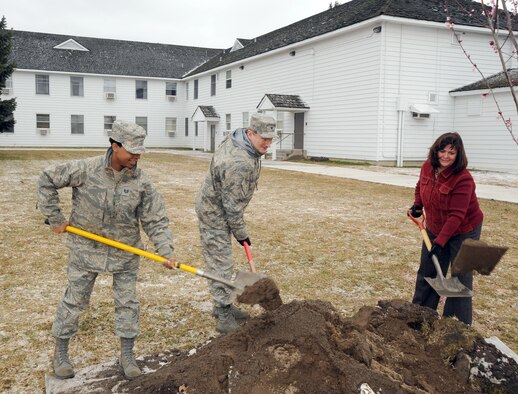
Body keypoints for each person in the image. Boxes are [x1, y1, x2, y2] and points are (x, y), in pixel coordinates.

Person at [37, 120, 176, 380]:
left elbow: (155, 218)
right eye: (132, 150)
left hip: (125, 252)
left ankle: (127, 354)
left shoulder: (141, 181)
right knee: (75, 301)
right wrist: (54, 217)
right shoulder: (86, 169)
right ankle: (61, 352)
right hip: (85, 250)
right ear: (115, 146)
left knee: (127, 304)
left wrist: (166, 250)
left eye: (140, 150)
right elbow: (46, 179)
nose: (137, 156)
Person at [195, 113, 276, 334]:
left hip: (219, 203)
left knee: (220, 259)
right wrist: (242, 234)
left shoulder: (239, 139)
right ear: (251, 133)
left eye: (271, 138)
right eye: (263, 139)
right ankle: (223, 315)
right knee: (221, 263)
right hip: (215, 212)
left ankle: (223, 305)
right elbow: (232, 208)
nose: (268, 144)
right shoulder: (239, 163)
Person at [408, 132, 484, 325]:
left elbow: (457, 216)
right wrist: (418, 205)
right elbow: (420, 186)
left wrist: (440, 242)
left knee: (460, 278)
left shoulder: (463, 179)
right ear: (436, 151)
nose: (446, 156)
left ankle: (456, 326)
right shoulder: (428, 167)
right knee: (428, 270)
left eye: (452, 152)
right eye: (442, 150)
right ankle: (420, 316)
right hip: (435, 225)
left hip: (465, 230)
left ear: (459, 154)